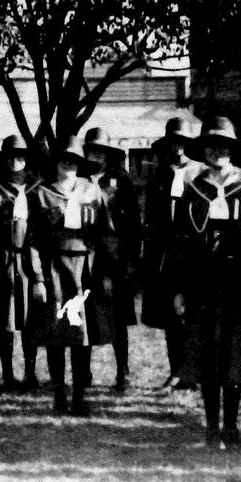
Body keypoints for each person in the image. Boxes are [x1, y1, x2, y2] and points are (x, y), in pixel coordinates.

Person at [173, 117, 241, 451]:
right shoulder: (193, 189)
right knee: (208, 357)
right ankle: (211, 428)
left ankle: (231, 427)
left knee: (234, 357)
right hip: (203, 284)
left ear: (233, 150)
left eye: (225, 146)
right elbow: (182, 244)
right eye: (212, 146)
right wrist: (182, 289)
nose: (218, 152)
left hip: (238, 285)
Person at [27, 137, 113, 414]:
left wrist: (106, 274)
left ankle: (79, 396)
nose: (68, 164)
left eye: (73, 160)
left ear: (80, 163)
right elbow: (33, 240)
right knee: (57, 332)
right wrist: (38, 278)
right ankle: (59, 395)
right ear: (55, 163)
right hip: (56, 268)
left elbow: (106, 235)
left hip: (86, 268)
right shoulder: (42, 194)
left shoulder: (93, 191)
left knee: (82, 334)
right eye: (63, 159)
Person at [143, 117, 204, 392]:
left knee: (193, 314)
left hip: (194, 252)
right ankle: (176, 371)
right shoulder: (160, 175)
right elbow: (152, 218)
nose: (178, 148)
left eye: (183, 142)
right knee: (170, 315)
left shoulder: (201, 175)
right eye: (173, 142)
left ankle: (194, 372)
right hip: (166, 254)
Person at [84, 128, 143, 392]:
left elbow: (133, 223)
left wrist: (130, 259)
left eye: (101, 152)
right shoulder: (80, 179)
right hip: (86, 256)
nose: (96, 156)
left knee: (118, 317)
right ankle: (83, 372)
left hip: (115, 255)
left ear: (109, 156)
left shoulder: (121, 180)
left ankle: (123, 372)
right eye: (91, 151)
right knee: (84, 313)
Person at [0, 135, 40, 389]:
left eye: (20, 157)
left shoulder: (37, 189)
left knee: (31, 319)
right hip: (5, 258)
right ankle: (7, 373)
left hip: (31, 259)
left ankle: (30, 372)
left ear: (26, 160)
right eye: (10, 158)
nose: (15, 162)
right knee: (5, 320)